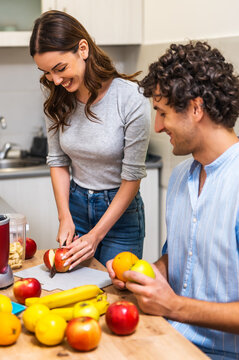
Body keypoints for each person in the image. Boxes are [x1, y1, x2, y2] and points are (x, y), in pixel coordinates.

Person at [106, 41, 239, 359]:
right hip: (177, 341)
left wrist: (174, 306)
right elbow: (184, 257)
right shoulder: (181, 177)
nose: (157, 126)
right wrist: (147, 275)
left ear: (196, 109)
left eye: (163, 113)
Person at [29, 10, 151, 268]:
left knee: (114, 294)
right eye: (48, 72)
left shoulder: (130, 98)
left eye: (60, 68)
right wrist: (65, 217)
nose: (56, 80)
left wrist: (96, 235)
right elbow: (58, 162)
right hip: (76, 206)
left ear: (82, 49)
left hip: (120, 214)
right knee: (74, 293)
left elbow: (132, 179)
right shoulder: (56, 98)